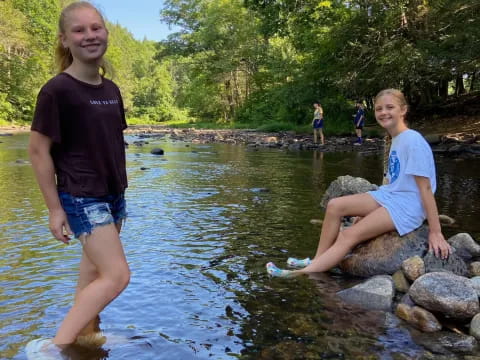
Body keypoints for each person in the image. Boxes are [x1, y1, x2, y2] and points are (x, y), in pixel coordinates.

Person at [26, 2, 130, 358]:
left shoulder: (111, 90)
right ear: (64, 39)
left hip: (113, 195)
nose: (90, 36)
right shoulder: (58, 91)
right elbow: (39, 152)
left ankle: (86, 338)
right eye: (79, 30)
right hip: (82, 196)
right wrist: (55, 210)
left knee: (92, 277)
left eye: (96, 28)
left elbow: (112, 142)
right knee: (116, 276)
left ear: (106, 33)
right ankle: (55, 346)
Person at [267, 88, 452, 277]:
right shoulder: (396, 138)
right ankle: (318, 259)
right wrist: (367, 209)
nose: (383, 112)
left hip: (407, 206)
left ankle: (302, 273)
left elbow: (426, 188)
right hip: (391, 196)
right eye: (379, 108)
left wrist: (435, 232)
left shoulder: (413, 141)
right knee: (334, 206)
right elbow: (393, 182)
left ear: (403, 110)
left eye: (390, 107)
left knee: (348, 234)